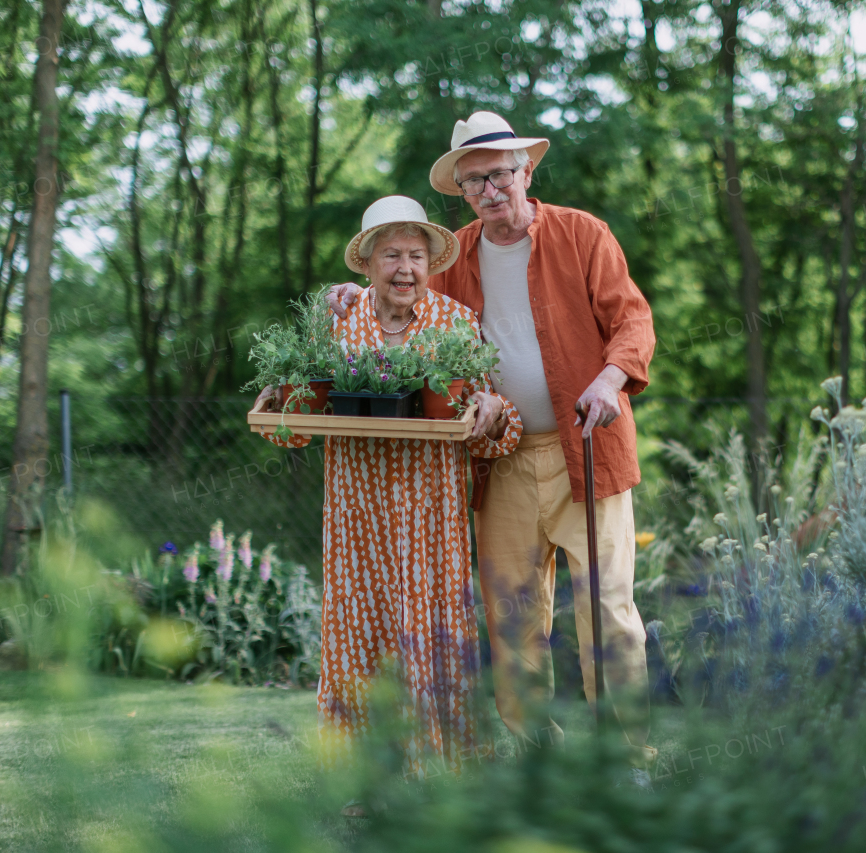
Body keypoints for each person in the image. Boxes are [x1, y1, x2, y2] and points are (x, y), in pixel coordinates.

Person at [328, 112, 658, 774]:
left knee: (607, 605)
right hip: (500, 459)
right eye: (474, 180)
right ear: (463, 190)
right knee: (513, 617)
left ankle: (626, 758)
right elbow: (402, 302)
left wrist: (608, 377)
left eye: (499, 173)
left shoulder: (582, 234)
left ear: (525, 172)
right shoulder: (455, 259)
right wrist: (350, 296)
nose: (489, 188)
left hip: (587, 451)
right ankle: (537, 752)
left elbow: (633, 317)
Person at [256, 196, 522, 805]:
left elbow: (493, 423)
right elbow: (301, 416)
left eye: (416, 256)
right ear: (368, 263)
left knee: (433, 630)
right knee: (359, 630)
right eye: (391, 255)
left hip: (430, 512)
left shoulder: (455, 321)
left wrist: (488, 411)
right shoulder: (338, 323)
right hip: (358, 511)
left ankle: (443, 766)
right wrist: (281, 397)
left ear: (430, 263)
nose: (405, 268)